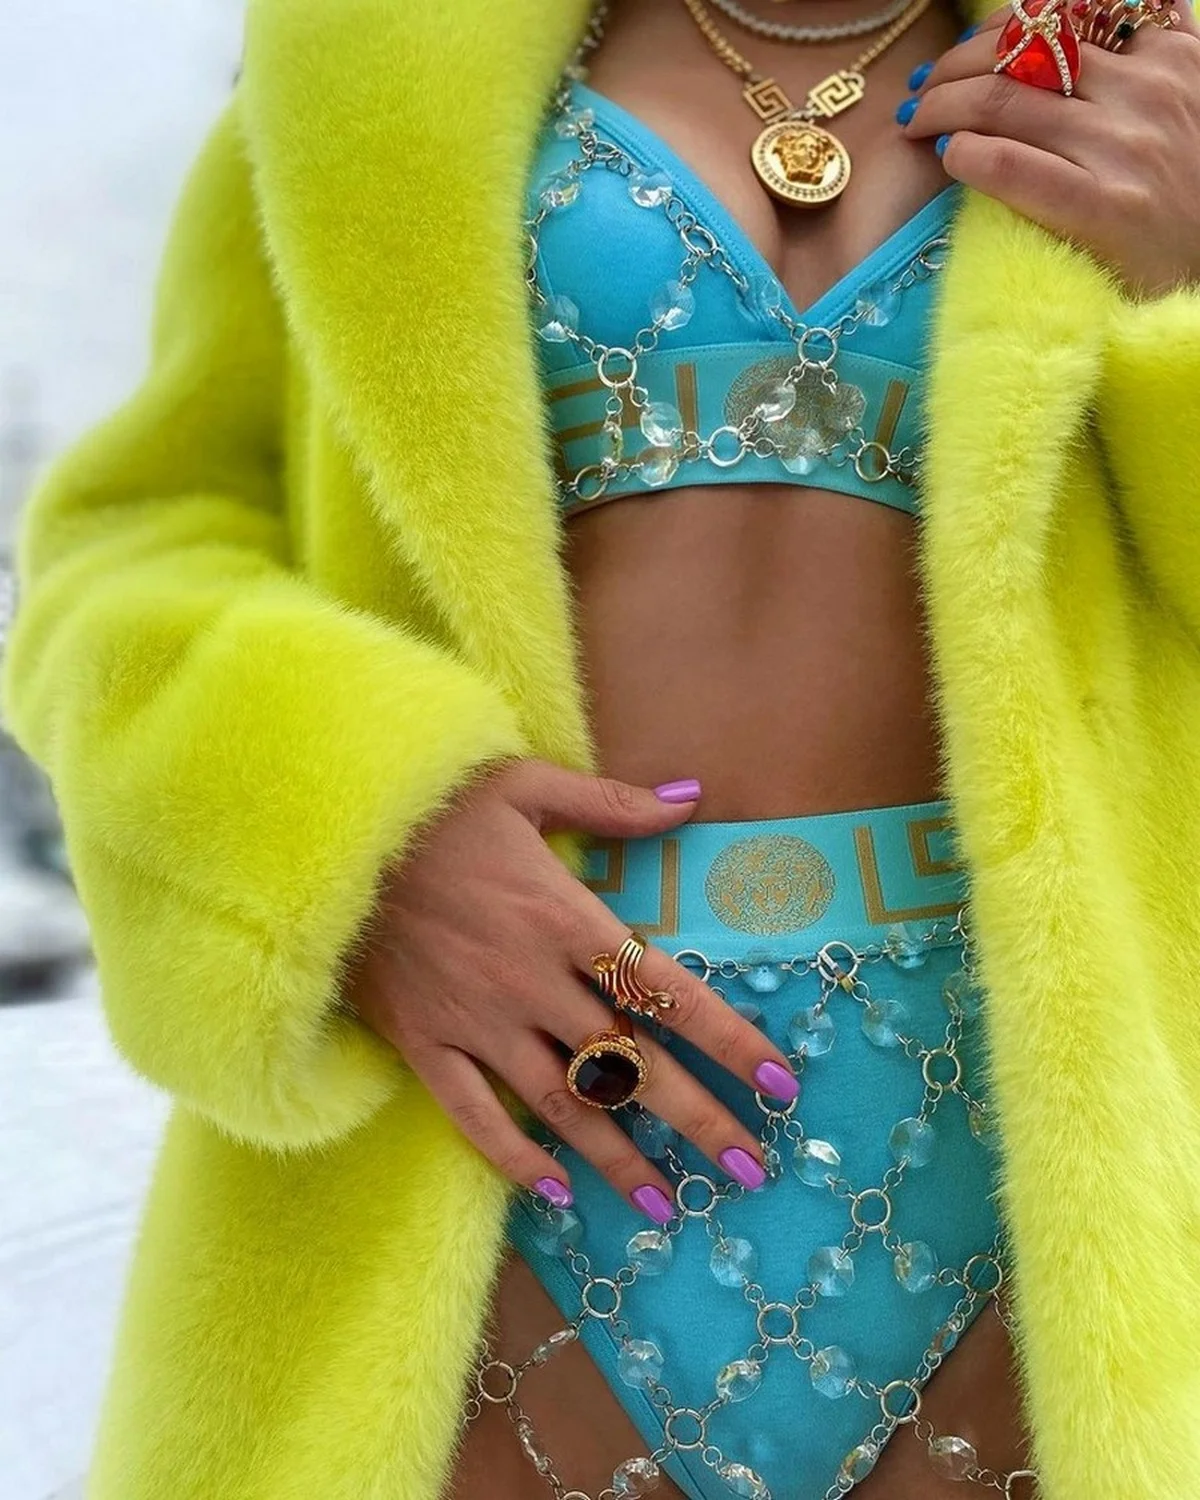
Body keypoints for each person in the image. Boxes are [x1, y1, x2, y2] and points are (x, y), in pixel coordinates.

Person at [5, 0, 1200, 1496]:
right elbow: (132, 549)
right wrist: (361, 835)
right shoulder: (367, 58)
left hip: (1063, 1173)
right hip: (479, 1138)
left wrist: (1187, 280)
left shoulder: (1154, 73)